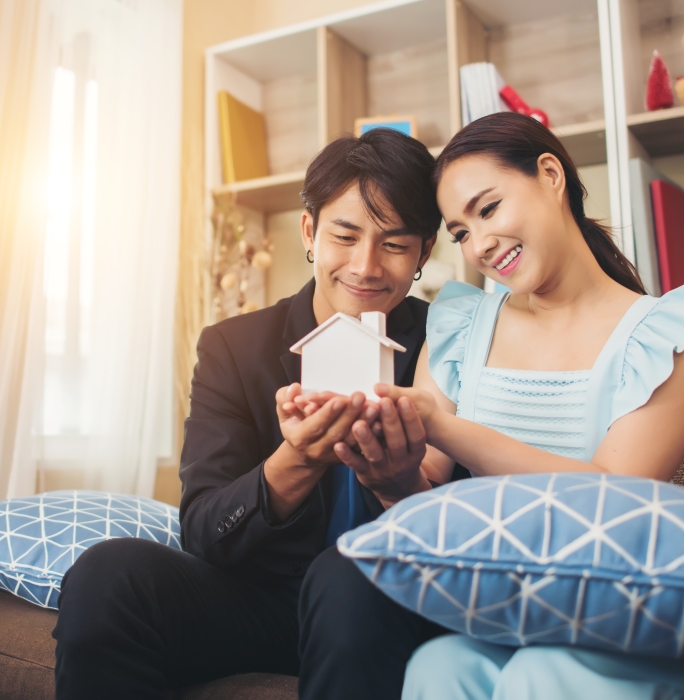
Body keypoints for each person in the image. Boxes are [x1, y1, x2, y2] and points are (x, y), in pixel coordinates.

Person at [364, 113, 684, 699]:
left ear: (550, 175)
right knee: (439, 664)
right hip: (518, 611)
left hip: (631, 613)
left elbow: (612, 493)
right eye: (458, 233)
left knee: (543, 674)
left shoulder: (670, 331)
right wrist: (389, 471)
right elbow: (425, 496)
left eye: (488, 209)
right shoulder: (459, 325)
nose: (478, 245)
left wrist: (443, 427)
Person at [52, 128, 461, 700]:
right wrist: (294, 461)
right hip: (262, 601)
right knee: (106, 574)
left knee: (345, 578)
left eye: (394, 245)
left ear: (424, 252)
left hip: (383, 600)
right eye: (345, 235)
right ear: (310, 232)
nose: (366, 267)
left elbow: (469, 527)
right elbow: (202, 528)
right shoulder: (234, 347)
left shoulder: (451, 344)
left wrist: (397, 481)